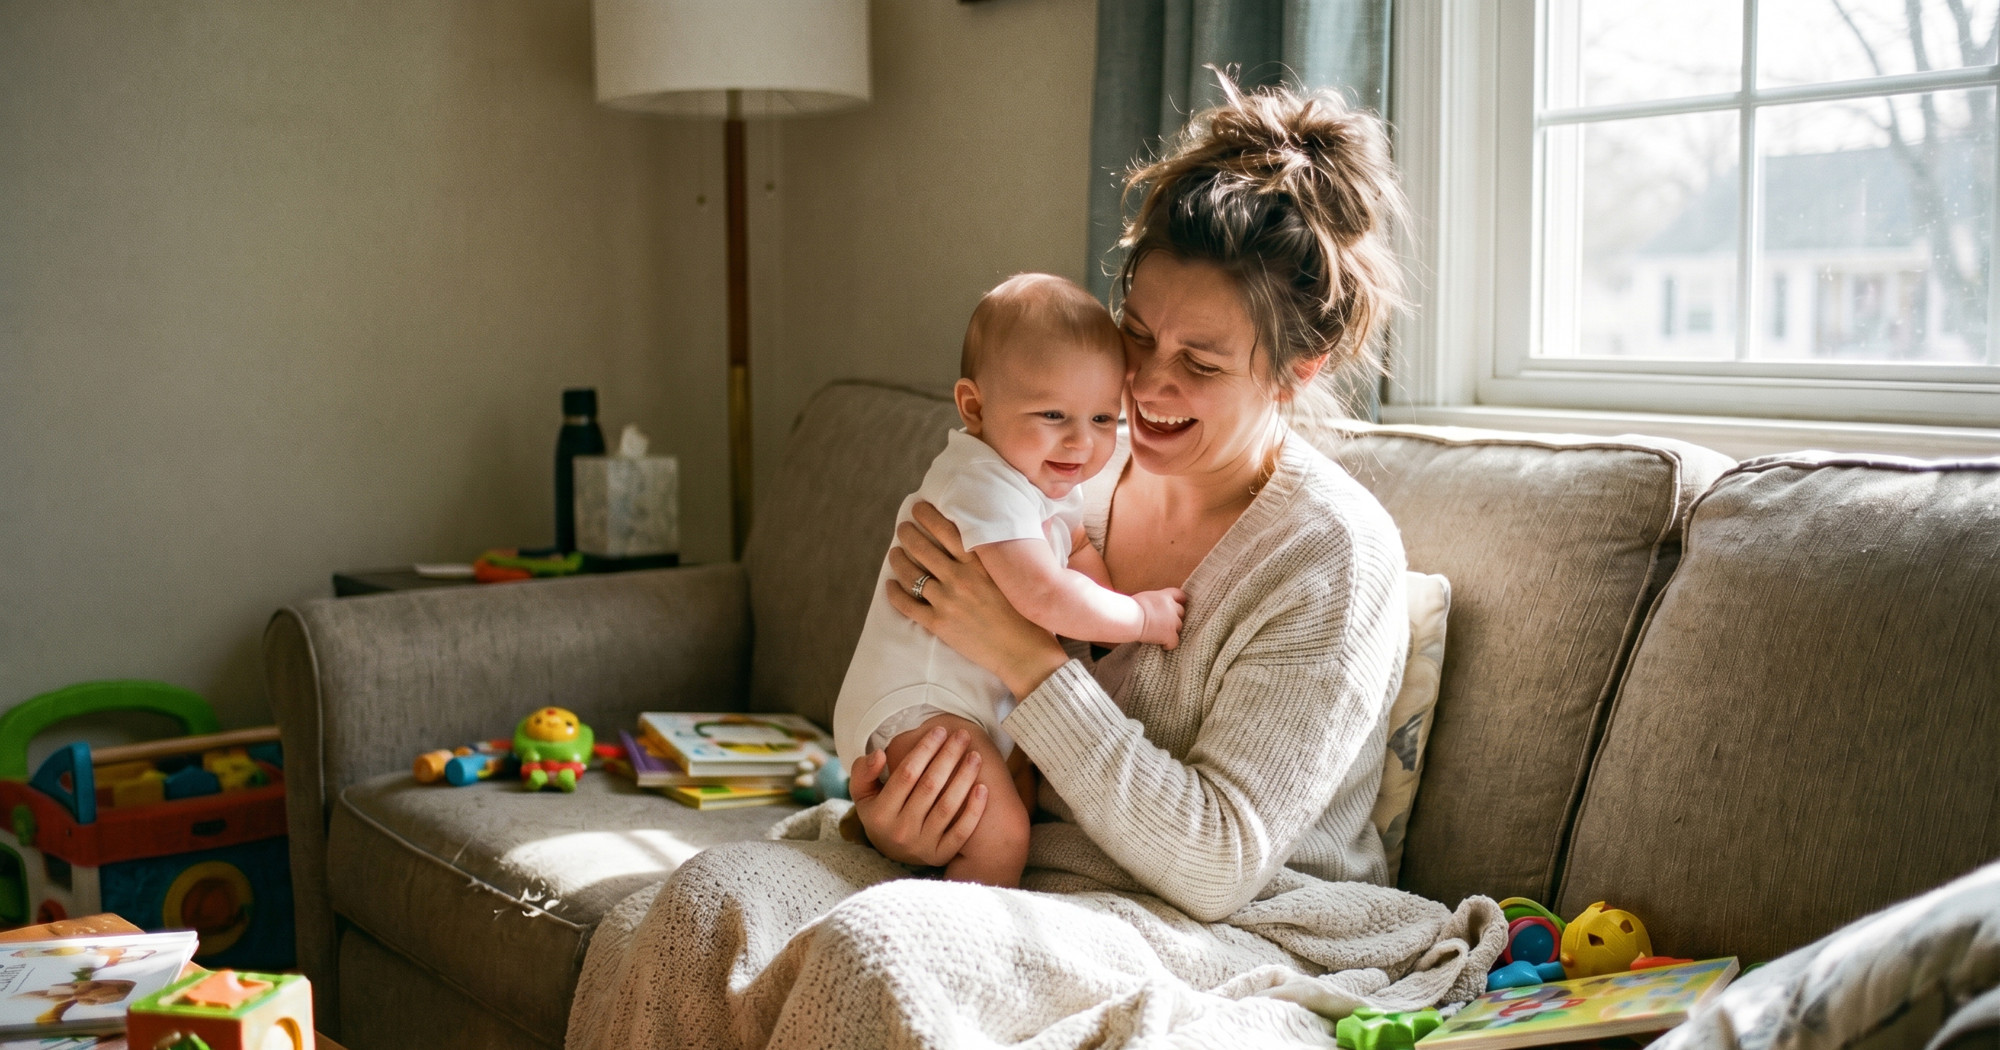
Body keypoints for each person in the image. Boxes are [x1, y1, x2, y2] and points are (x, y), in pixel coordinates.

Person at [570, 75, 1422, 1049]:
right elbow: (947, 680)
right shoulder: (1071, 471)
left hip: (1221, 922)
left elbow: (1218, 863)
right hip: (1020, 865)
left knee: (876, 959)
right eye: (1135, 333)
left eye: (1201, 361)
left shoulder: (1328, 556)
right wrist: (903, 815)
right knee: (691, 907)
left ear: (1295, 370)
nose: (1143, 383)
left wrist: (1025, 655)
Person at [831, 272, 1188, 888]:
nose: (1081, 442)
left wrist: (1099, 611)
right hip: (925, 703)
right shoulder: (980, 483)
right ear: (974, 407)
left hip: (974, 708)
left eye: (1104, 417)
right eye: (1053, 414)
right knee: (1004, 833)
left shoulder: (1044, 477)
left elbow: (1073, 550)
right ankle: (971, 931)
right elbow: (1046, 595)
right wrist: (1139, 617)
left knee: (1019, 796)